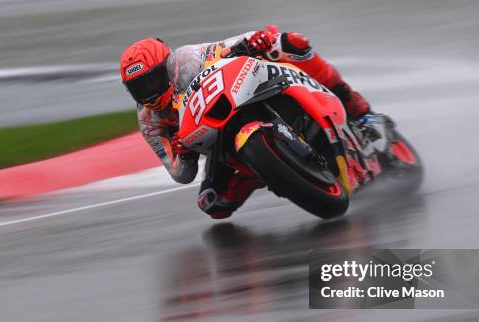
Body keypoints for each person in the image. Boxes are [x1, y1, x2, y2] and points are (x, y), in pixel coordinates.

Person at [120, 26, 391, 219]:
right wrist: (183, 152)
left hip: (244, 94)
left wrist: (257, 41)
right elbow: (180, 174)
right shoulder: (149, 121)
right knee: (213, 204)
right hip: (217, 139)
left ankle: (361, 113)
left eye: (151, 81)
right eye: (138, 89)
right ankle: (265, 171)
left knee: (291, 42)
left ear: (167, 68)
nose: (148, 93)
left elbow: (232, 44)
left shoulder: (188, 59)